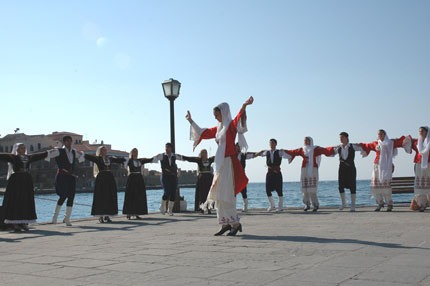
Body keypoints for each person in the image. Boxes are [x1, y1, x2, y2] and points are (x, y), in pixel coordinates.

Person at [186, 96, 253, 236]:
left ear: (224, 112)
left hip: (229, 163)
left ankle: (235, 223)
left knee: (227, 193)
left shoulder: (230, 126)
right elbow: (203, 133)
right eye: (215, 115)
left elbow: (238, 118)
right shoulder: (218, 129)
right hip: (220, 163)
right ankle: (225, 223)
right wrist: (191, 121)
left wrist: (244, 106)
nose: (216, 117)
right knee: (219, 193)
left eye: (217, 115)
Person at [0, 143, 49, 231]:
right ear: (17, 150)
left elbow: (38, 156)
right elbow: (3, 156)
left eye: (24, 148)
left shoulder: (28, 157)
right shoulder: (13, 157)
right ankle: (14, 223)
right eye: (21, 148)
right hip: (16, 180)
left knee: (25, 200)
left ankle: (23, 222)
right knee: (16, 200)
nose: (23, 149)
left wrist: (48, 152)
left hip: (26, 180)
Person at [358, 130, 409, 212]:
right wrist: (357, 145)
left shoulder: (390, 143)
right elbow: (366, 146)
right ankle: (380, 203)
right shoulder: (376, 143)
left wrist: (412, 140)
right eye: (378, 134)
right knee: (376, 186)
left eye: (381, 134)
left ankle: (389, 204)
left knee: (386, 186)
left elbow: (400, 142)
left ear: (385, 135)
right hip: (376, 165)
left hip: (385, 166)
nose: (379, 135)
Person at [288, 137, 335, 212]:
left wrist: (334, 148)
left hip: (313, 169)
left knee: (312, 189)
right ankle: (307, 204)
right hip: (304, 169)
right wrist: (282, 152)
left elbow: (325, 150)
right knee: (305, 189)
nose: (305, 142)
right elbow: (293, 152)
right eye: (304, 140)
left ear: (311, 141)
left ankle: (315, 205)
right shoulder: (302, 149)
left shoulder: (315, 149)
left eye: (307, 140)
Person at [48, 135, 84, 226]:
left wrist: (82, 153)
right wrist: (50, 151)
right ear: (64, 142)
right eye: (67, 141)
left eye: (70, 141)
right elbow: (48, 155)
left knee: (71, 196)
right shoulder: (59, 151)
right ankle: (55, 217)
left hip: (71, 177)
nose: (69, 142)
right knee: (63, 195)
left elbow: (82, 156)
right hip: (62, 176)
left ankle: (67, 218)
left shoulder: (74, 152)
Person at [84, 146, 126, 223]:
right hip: (101, 178)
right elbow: (89, 157)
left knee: (109, 195)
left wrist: (124, 158)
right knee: (101, 196)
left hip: (109, 178)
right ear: (100, 151)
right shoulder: (98, 159)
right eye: (103, 150)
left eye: (105, 150)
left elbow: (118, 160)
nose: (105, 151)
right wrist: (81, 154)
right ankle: (101, 216)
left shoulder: (109, 159)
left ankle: (107, 215)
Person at [254, 139, 293, 212]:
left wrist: (286, 152)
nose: (271, 144)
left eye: (272, 143)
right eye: (270, 143)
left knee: (279, 190)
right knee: (267, 189)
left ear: (275, 144)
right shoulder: (267, 152)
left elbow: (289, 155)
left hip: (277, 173)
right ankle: (272, 205)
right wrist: (258, 153)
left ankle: (280, 207)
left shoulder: (280, 152)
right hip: (269, 173)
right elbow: (259, 154)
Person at [151, 143, 184, 216]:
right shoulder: (161, 156)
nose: (166, 149)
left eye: (168, 147)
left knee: (173, 193)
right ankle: (162, 206)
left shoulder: (174, 156)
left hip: (173, 177)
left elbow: (183, 158)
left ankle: (170, 210)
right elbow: (153, 159)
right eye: (166, 147)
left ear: (171, 148)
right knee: (167, 192)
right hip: (165, 176)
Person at [333, 132, 361, 212]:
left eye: (342, 137)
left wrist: (360, 144)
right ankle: (343, 203)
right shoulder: (338, 147)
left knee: (353, 186)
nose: (340, 139)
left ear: (346, 138)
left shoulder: (353, 146)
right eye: (340, 137)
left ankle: (353, 205)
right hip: (341, 168)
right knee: (340, 186)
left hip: (351, 168)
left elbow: (364, 147)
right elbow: (329, 152)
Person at [181, 149, 215, 213]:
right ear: (201, 154)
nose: (205, 154)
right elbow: (190, 159)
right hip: (201, 178)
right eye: (203, 153)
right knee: (201, 194)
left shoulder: (210, 160)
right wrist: (182, 157)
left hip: (209, 178)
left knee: (209, 193)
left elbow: (218, 157)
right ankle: (202, 208)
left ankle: (209, 208)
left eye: (205, 152)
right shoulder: (199, 160)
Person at [123, 148, 153, 219]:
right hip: (132, 178)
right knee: (131, 195)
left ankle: (137, 212)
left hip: (139, 178)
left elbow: (148, 160)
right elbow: (120, 161)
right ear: (132, 153)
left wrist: (156, 158)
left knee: (139, 195)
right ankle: (129, 213)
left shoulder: (140, 160)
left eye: (137, 152)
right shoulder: (129, 161)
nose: (136, 153)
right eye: (134, 152)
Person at [409, 127, 430, 212]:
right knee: (421, 185)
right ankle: (421, 204)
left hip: (429, 164)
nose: (421, 133)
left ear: (427, 132)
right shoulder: (417, 142)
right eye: (419, 131)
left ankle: (427, 203)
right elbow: (404, 142)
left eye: (422, 131)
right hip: (419, 164)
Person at [236, 143, 256, 213]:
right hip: (234, 175)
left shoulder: (243, 155)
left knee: (244, 191)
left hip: (242, 175)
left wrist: (259, 153)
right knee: (233, 192)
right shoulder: (232, 155)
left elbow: (253, 155)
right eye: (236, 146)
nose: (237, 148)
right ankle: (233, 207)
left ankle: (245, 207)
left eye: (239, 147)